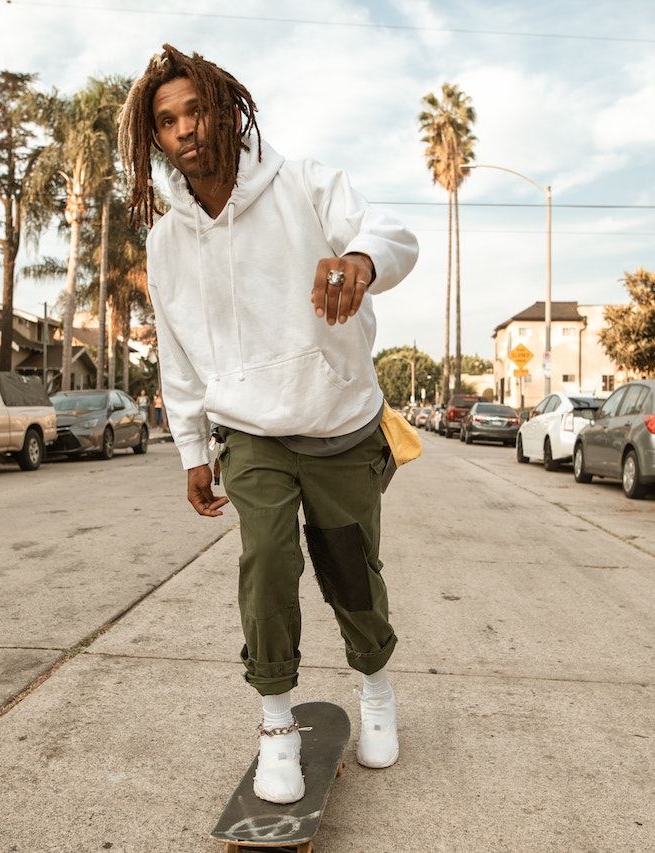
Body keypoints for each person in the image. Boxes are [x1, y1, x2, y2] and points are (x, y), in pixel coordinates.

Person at [119, 45, 419, 805]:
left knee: (350, 570)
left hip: (340, 421)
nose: (184, 129)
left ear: (222, 111)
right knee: (267, 559)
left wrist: (359, 260)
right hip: (249, 430)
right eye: (167, 121)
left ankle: (375, 684)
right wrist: (191, 446)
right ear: (155, 139)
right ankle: (277, 723)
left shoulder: (303, 183)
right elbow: (179, 353)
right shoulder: (166, 241)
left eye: (194, 111)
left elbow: (391, 231)